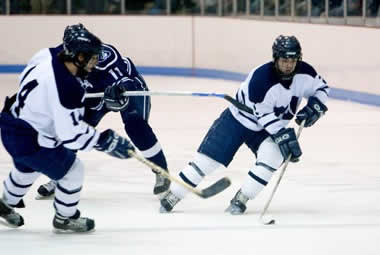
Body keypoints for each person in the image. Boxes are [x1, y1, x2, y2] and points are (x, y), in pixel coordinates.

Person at [159, 35, 330, 214]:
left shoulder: (306, 73)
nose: (289, 64)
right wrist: (282, 135)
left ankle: (242, 197)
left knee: (273, 157)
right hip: (237, 121)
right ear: (276, 58)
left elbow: (322, 88)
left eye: (293, 60)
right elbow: (264, 115)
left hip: (266, 128)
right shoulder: (261, 79)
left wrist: (315, 106)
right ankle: (174, 195)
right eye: (284, 60)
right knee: (207, 162)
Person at [0, 27, 136, 232]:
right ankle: (65, 218)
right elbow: (71, 135)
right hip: (30, 138)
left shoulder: (45, 54)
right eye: (91, 59)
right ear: (79, 57)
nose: (95, 64)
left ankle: (5, 204)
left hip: (10, 122)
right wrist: (104, 141)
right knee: (73, 171)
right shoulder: (67, 88)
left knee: (26, 168)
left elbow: (26, 82)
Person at [28, 24, 170, 200]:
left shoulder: (105, 55)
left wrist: (120, 90)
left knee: (135, 125)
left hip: (123, 87)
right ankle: (61, 175)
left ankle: (161, 170)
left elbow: (126, 81)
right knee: (72, 127)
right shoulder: (58, 58)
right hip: (92, 96)